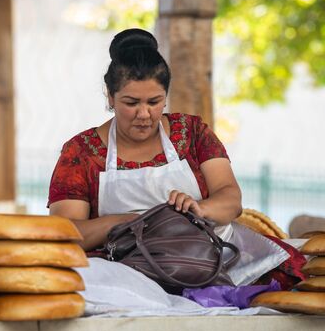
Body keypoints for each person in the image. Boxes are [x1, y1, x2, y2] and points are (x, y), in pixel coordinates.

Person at [47, 28, 243, 252]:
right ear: (110, 97)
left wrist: (198, 209)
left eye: (154, 102)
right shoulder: (80, 153)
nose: (144, 114)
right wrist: (125, 222)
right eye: (131, 103)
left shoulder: (193, 132)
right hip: (123, 272)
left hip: (215, 259)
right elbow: (65, 233)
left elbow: (231, 200)